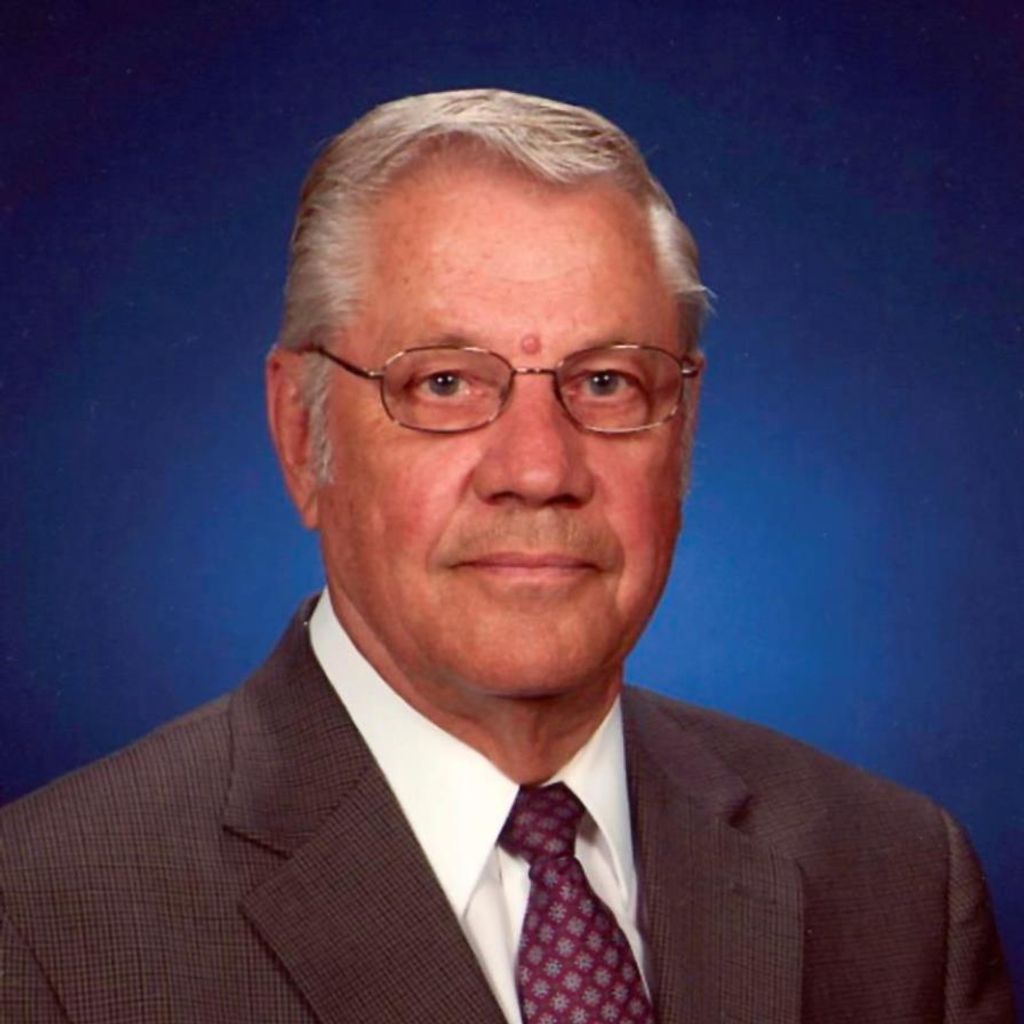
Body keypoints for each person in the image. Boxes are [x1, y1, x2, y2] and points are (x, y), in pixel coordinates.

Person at [0, 89, 1013, 1023]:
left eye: (607, 382)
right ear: (301, 434)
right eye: (443, 382)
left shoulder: (898, 882)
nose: (538, 469)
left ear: (683, 431)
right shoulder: (42, 927)